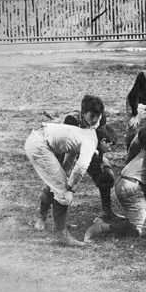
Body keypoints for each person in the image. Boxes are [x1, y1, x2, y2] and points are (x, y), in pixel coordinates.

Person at [25, 122, 113, 246]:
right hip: (43, 145)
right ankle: (58, 232)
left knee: (59, 183)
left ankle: (59, 225)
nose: (111, 148)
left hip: (47, 142)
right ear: (103, 141)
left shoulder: (89, 136)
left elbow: (71, 156)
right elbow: (81, 167)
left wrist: (66, 176)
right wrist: (70, 187)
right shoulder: (90, 141)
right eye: (111, 144)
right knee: (61, 189)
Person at [84, 126, 146, 241]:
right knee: (141, 231)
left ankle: (116, 223)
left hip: (123, 183)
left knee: (137, 223)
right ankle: (103, 226)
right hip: (131, 187)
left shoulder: (142, 148)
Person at [57, 95, 119, 224]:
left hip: (88, 148)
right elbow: (66, 146)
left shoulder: (100, 117)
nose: (94, 120)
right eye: (91, 116)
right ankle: (47, 216)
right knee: (58, 182)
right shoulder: (72, 119)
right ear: (83, 113)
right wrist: (63, 168)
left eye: (97, 116)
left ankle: (107, 211)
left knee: (106, 175)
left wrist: (100, 159)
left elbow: (101, 139)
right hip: (69, 150)